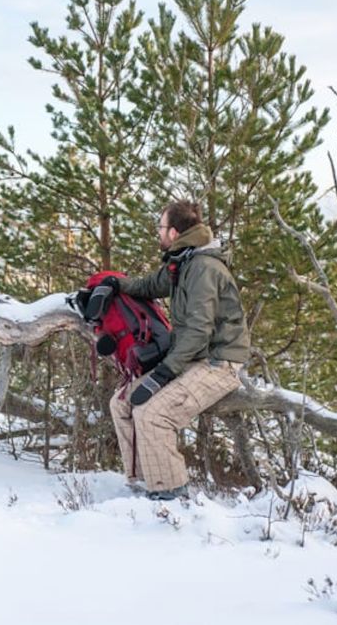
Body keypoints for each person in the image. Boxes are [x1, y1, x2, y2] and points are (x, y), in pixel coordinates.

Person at [106, 201, 250, 500]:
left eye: (160, 227)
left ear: (173, 232)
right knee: (122, 404)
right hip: (194, 357)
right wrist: (116, 284)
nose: (157, 232)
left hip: (218, 362)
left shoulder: (203, 268)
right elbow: (150, 285)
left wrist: (162, 374)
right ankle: (143, 483)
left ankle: (171, 496)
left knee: (153, 414)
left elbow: (199, 331)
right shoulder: (183, 262)